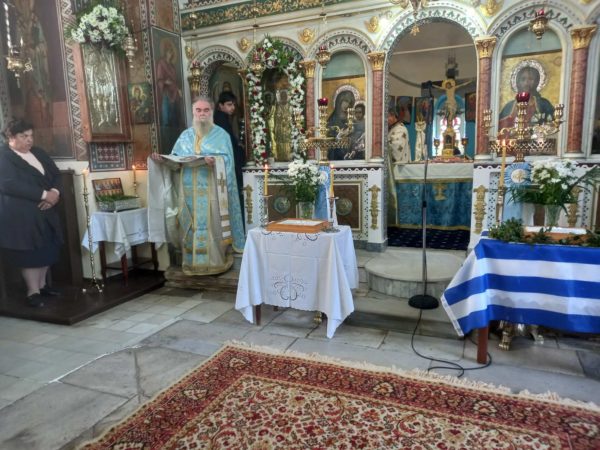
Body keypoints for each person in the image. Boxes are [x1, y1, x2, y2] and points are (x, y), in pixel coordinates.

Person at [149, 97, 245, 276]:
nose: (202, 114)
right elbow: (176, 162)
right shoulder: (185, 136)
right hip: (187, 192)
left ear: (212, 112)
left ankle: (215, 262)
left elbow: (228, 162)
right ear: (193, 112)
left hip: (211, 190)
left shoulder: (221, 135)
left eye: (206, 110)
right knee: (190, 224)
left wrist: (214, 161)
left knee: (211, 226)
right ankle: (192, 264)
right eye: (198, 110)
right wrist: (163, 160)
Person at [0, 119, 62, 307]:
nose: (29, 140)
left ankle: (42, 286)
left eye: (31, 136)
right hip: (22, 214)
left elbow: (56, 175)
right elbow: (9, 184)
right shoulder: (4, 156)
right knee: (31, 254)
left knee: (46, 249)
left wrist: (55, 193)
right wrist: (44, 195)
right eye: (24, 136)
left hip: (46, 211)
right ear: (11, 137)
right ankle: (32, 292)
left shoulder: (38, 153)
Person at [214, 91, 246, 223]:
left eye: (233, 105)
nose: (232, 107)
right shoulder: (221, 119)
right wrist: (239, 147)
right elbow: (228, 143)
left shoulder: (223, 117)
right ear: (220, 105)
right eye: (229, 104)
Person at [498, 65, 555, 133]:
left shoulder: (544, 104)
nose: (526, 82)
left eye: (530, 79)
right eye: (523, 79)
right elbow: (500, 128)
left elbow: (552, 125)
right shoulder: (509, 106)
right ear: (518, 82)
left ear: (536, 82)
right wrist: (511, 117)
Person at [156, 38, 183, 153]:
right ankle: (166, 145)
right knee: (166, 120)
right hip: (166, 95)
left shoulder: (172, 66)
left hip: (174, 94)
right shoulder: (161, 63)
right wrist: (165, 82)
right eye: (169, 51)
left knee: (174, 120)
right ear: (165, 52)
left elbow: (175, 81)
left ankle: (175, 144)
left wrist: (177, 88)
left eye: (172, 51)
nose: (171, 54)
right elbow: (159, 80)